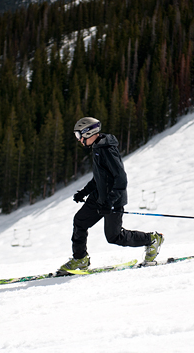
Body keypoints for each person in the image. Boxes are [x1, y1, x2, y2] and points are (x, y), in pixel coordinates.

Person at [58, 117, 164, 273]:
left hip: (113, 199)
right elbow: (99, 177)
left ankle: (152, 239)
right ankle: (80, 259)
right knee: (80, 221)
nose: (79, 140)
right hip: (99, 197)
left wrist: (109, 202)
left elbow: (121, 179)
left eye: (79, 135)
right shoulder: (97, 147)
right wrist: (84, 192)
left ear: (89, 132)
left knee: (114, 237)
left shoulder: (107, 149)